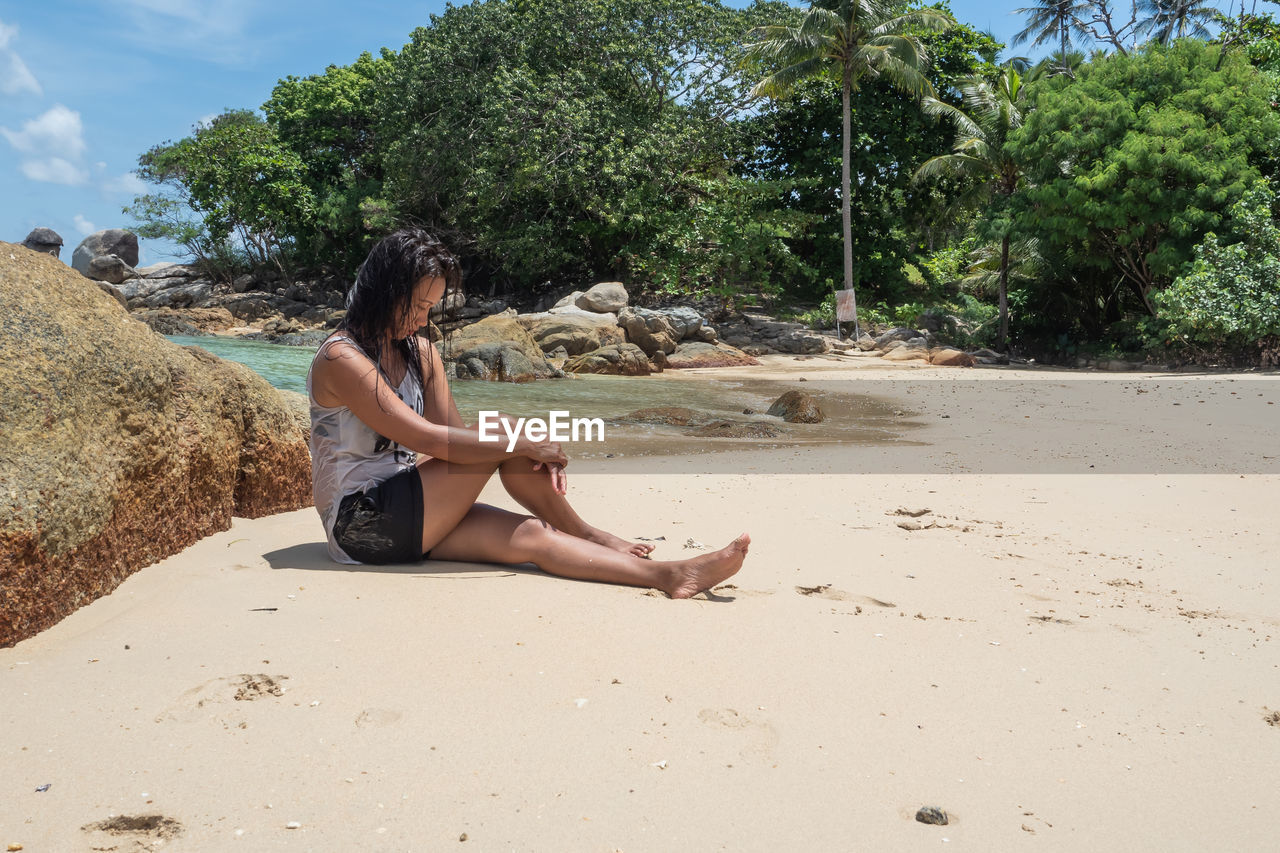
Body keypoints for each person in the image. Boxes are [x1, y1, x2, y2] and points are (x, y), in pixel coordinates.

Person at [306, 228, 748, 598]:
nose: (423, 321)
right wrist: (522, 440)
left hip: (411, 505)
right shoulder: (341, 359)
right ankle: (591, 535)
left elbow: (457, 441)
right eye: (418, 306)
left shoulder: (421, 353)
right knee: (503, 429)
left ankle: (670, 576)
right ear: (387, 292)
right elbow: (428, 439)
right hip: (361, 524)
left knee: (533, 535)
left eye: (430, 308)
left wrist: (525, 444)